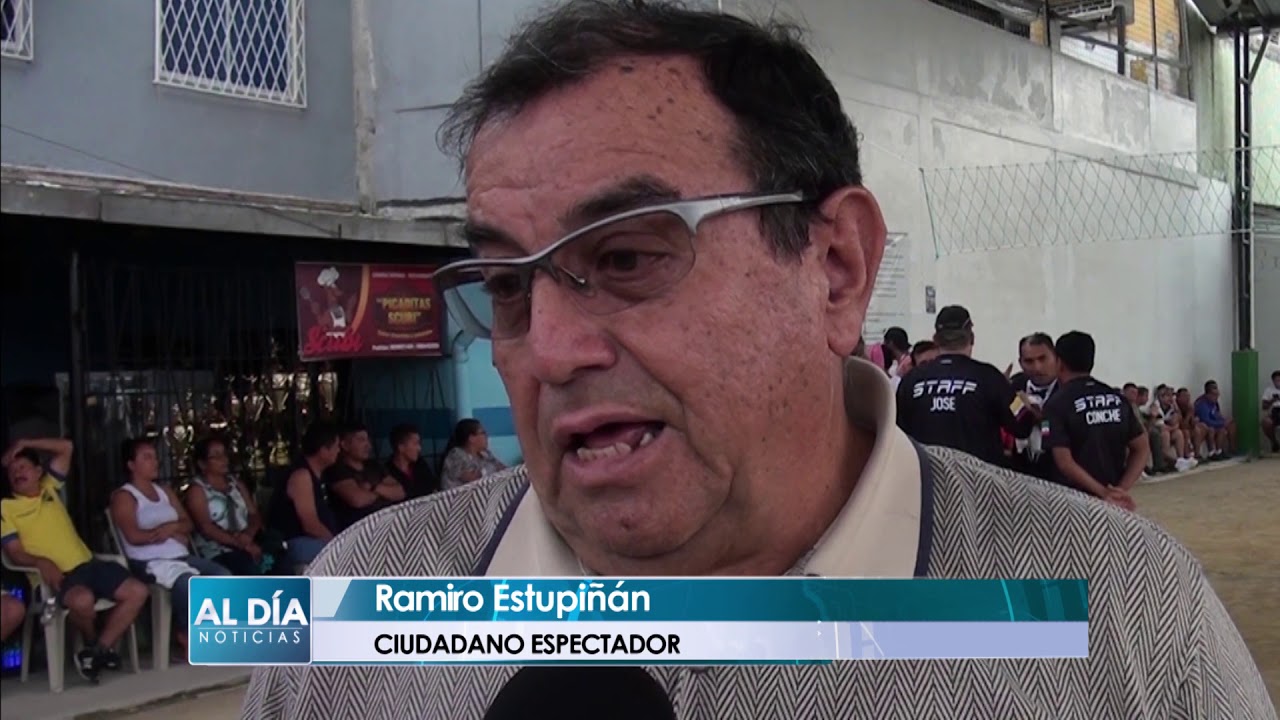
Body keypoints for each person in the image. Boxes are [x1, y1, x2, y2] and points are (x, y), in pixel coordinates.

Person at [242, 3, 1273, 718]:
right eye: (509, 286)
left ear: (834, 269)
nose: (550, 350)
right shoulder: (351, 616)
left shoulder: (1127, 615)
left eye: (628, 257)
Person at [1, 437, 148, 683]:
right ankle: (94, 644)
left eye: (23, 467)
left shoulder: (49, 488)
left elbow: (66, 447)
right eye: (12, 471)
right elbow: (15, 552)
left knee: (138, 591)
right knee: (82, 600)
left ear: (38, 472)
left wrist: (24, 442)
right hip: (56, 577)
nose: (17, 473)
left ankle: (96, 651)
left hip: (89, 565)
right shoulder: (6, 508)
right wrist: (41, 562)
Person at [109, 437, 230, 661]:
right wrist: (162, 533)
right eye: (147, 458)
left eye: (155, 457)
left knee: (222, 575)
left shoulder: (165, 491)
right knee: (187, 583)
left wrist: (172, 528)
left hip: (179, 555)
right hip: (148, 562)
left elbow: (188, 524)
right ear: (131, 465)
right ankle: (186, 634)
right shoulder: (125, 496)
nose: (155, 462)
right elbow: (133, 536)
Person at [896, 306, 1033, 467]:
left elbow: (897, 435)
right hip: (979, 477)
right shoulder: (990, 377)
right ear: (972, 338)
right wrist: (1024, 404)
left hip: (928, 476)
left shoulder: (911, 380)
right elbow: (1023, 425)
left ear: (935, 340)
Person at [1041, 332, 1148, 512]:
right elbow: (1142, 447)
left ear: (1059, 362)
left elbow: (1064, 462)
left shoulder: (1056, 405)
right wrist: (1120, 490)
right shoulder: (1117, 399)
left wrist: (1103, 493)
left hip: (1071, 504)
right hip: (1114, 506)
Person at [185, 436, 271, 575]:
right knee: (246, 567)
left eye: (224, 454)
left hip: (248, 541)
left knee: (278, 559)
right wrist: (241, 544)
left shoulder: (236, 484)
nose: (224, 459)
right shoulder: (197, 490)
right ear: (202, 464)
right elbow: (206, 528)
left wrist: (248, 535)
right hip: (219, 550)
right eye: (216, 456)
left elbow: (253, 514)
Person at [267, 422, 341, 568]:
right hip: (299, 543)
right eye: (336, 446)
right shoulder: (302, 475)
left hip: (315, 542)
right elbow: (310, 525)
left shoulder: (320, 475)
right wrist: (339, 545)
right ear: (323, 450)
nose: (339, 450)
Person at [324, 422, 406, 531]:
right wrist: (385, 492)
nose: (368, 445)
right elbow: (358, 500)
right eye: (361, 440)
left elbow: (400, 492)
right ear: (344, 445)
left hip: (388, 525)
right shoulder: (336, 469)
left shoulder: (374, 465)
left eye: (367, 440)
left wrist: (373, 487)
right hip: (359, 531)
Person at [1007, 332, 1059, 479]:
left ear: (1056, 357)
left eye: (1042, 359)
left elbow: (1059, 433)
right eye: (1029, 361)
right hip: (1018, 473)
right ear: (1020, 363)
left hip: (1057, 474)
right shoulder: (1014, 386)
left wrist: (1037, 418)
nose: (1037, 367)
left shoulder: (1067, 390)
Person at [439, 419, 506, 491]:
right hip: (460, 497)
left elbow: (503, 469)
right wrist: (490, 469)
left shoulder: (485, 453)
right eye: (483, 433)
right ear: (471, 438)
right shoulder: (456, 455)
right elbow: (471, 478)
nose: (487, 436)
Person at [386, 424, 440, 498]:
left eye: (419, 444)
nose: (419, 448)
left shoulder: (420, 464)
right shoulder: (387, 471)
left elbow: (433, 488)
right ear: (401, 447)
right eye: (415, 444)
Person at [1194, 381, 1235, 459]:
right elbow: (1206, 420)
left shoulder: (1214, 402)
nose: (1217, 397)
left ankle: (1220, 451)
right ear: (1208, 394)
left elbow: (1217, 415)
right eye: (1215, 395)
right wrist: (1222, 423)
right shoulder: (1202, 404)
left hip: (1213, 423)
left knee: (1225, 428)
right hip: (1205, 425)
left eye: (1217, 395)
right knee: (1212, 429)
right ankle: (1211, 453)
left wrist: (1224, 420)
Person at [1263, 370, 1280, 453]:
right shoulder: (1269, 390)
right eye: (1277, 380)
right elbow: (1264, 406)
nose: (1279, 382)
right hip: (1275, 412)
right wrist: (1272, 400)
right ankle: (1275, 443)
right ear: (1273, 381)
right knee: (1266, 422)